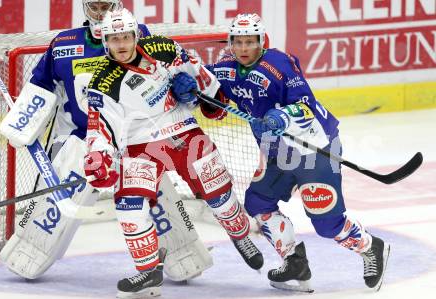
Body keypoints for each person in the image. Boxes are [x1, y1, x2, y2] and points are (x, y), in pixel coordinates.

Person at [84, 8, 263, 298]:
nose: (121, 44)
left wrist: (198, 94)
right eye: (114, 38)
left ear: (136, 35)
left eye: (125, 36)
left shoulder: (165, 49)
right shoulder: (102, 83)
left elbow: (203, 81)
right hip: (139, 145)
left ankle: (241, 235)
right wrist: (98, 157)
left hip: (181, 130)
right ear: (105, 41)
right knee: (129, 207)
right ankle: (148, 271)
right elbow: (100, 129)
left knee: (217, 191)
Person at [204, 13, 390, 292]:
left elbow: (305, 105)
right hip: (276, 152)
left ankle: (370, 247)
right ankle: (294, 262)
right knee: (258, 204)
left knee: (327, 225)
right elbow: (203, 81)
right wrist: (187, 85)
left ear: (261, 41)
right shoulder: (226, 67)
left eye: (250, 42)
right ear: (230, 42)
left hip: (314, 149)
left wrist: (282, 117)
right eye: (238, 42)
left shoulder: (280, 64)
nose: (243, 48)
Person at [0, 0, 151, 279]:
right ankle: (28, 251)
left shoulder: (135, 33)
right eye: (95, 7)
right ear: (85, 8)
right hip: (75, 140)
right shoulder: (64, 42)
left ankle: (175, 254)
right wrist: (24, 119)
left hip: (129, 137)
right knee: (54, 205)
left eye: (107, 6)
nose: (101, 13)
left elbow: (157, 75)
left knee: (148, 195)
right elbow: (41, 83)